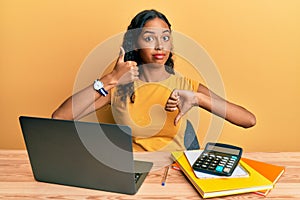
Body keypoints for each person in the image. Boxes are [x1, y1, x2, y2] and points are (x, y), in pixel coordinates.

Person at [52, 9, 256, 152]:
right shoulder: (120, 88)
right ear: (135, 44)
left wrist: (199, 99)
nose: (160, 46)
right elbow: (60, 118)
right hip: (134, 171)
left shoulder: (185, 85)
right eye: (149, 38)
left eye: (165, 37)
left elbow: (248, 120)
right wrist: (110, 78)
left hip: (177, 172)